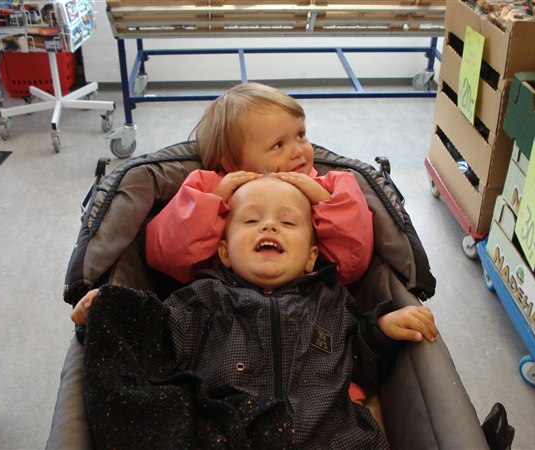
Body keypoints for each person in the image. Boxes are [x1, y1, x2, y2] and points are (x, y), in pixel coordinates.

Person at [75, 176, 437, 449]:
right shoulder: (204, 297)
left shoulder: (332, 300)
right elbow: (157, 340)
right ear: (225, 252)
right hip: (229, 433)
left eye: (289, 223)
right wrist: (111, 309)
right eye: (250, 221)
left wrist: (382, 329)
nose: (269, 225)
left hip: (328, 436)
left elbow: (361, 362)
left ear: (311, 257)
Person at [145, 82, 374, 286]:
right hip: (223, 301)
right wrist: (213, 202)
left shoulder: (333, 188)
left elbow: (351, 266)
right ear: (232, 162)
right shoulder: (207, 189)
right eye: (278, 145)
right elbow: (167, 258)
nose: (298, 151)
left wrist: (325, 201)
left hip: (306, 302)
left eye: (300, 135)